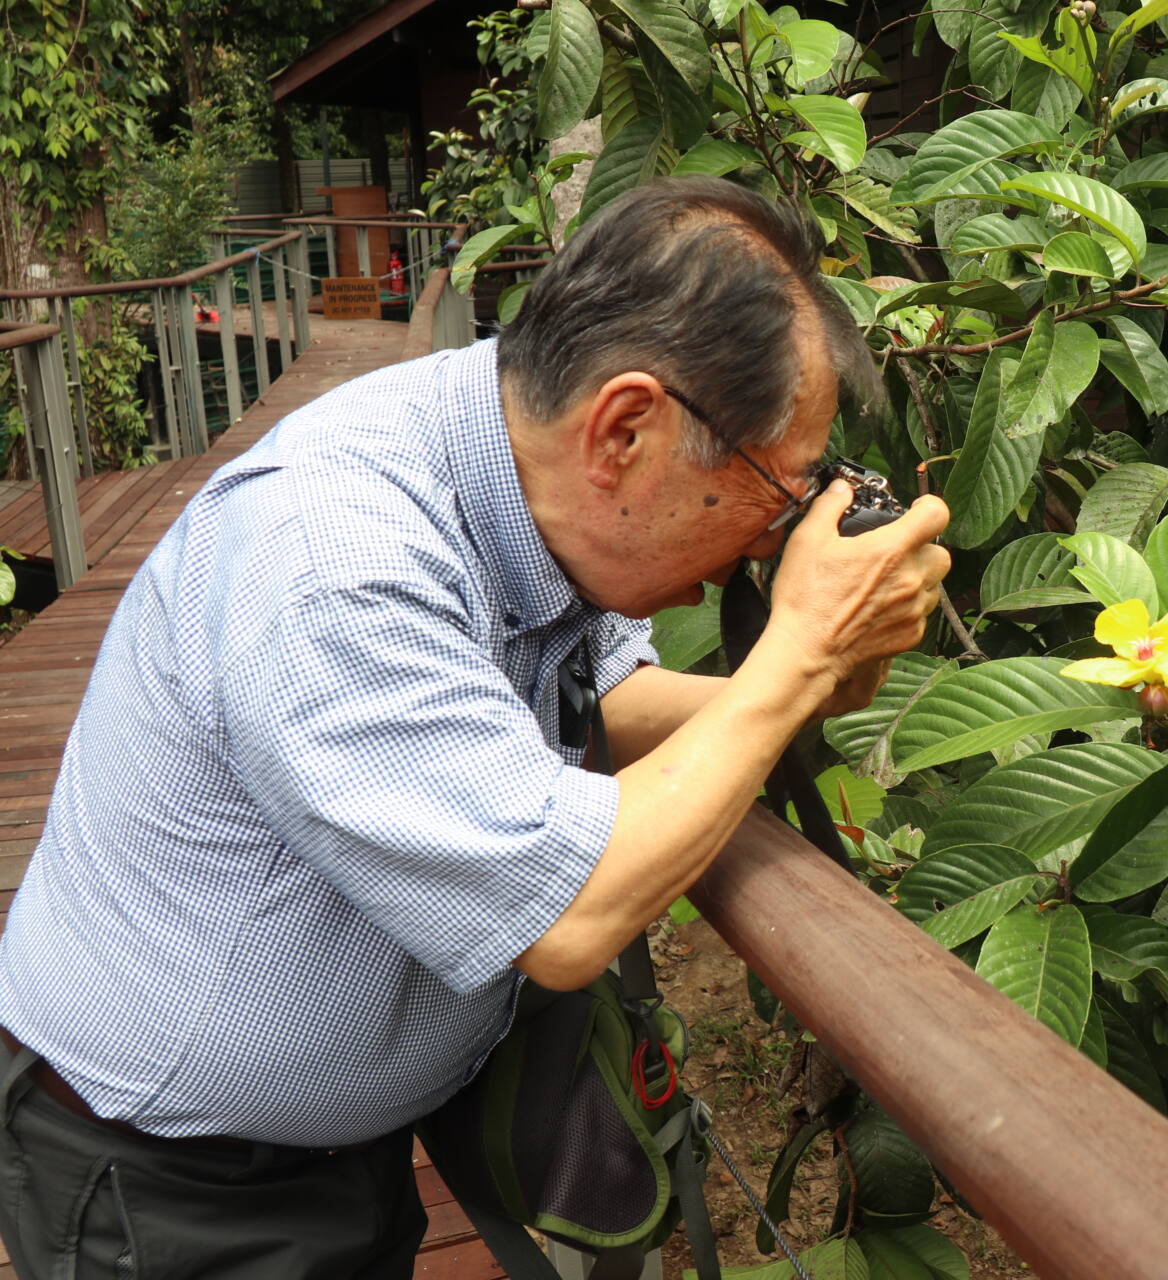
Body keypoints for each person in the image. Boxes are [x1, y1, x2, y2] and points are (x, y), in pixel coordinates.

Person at [0, 177, 950, 1277]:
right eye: (775, 495)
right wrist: (796, 655)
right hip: (168, 1179)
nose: (767, 542)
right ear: (627, 427)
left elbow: (624, 702)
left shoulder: (507, 456)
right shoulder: (331, 561)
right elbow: (572, 910)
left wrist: (821, 672)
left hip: (336, 1143)